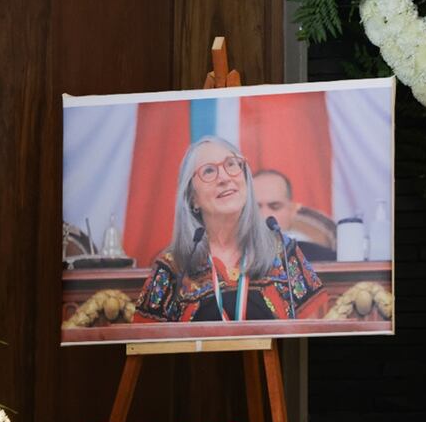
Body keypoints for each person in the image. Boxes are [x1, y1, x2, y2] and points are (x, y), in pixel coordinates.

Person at [134, 136, 327, 322]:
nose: (224, 178)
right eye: (209, 171)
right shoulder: (174, 265)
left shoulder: (282, 250)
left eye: (231, 164)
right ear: (193, 198)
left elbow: (309, 335)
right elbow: (145, 342)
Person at [253, 169, 336, 262]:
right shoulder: (234, 258)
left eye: (275, 207)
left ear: (292, 211)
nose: (265, 215)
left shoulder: (324, 259)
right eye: (256, 207)